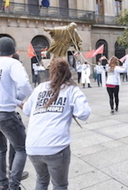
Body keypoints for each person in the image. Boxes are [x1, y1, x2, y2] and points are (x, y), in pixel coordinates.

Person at [23, 58, 91, 190]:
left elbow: (26, 110)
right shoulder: (71, 90)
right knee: (60, 185)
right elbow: (84, 113)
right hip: (56, 147)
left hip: (33, 146)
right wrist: (71, 111)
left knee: (41, 181)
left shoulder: (40, 88)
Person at [0, 37, 32, 190]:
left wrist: (15, 101)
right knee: (21, 148)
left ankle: (2, 184)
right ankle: (14, 185)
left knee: (1, 150)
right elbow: (23, 84)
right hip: (4, 114)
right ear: (13, 50)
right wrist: (25, 99)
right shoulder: (13, 63)